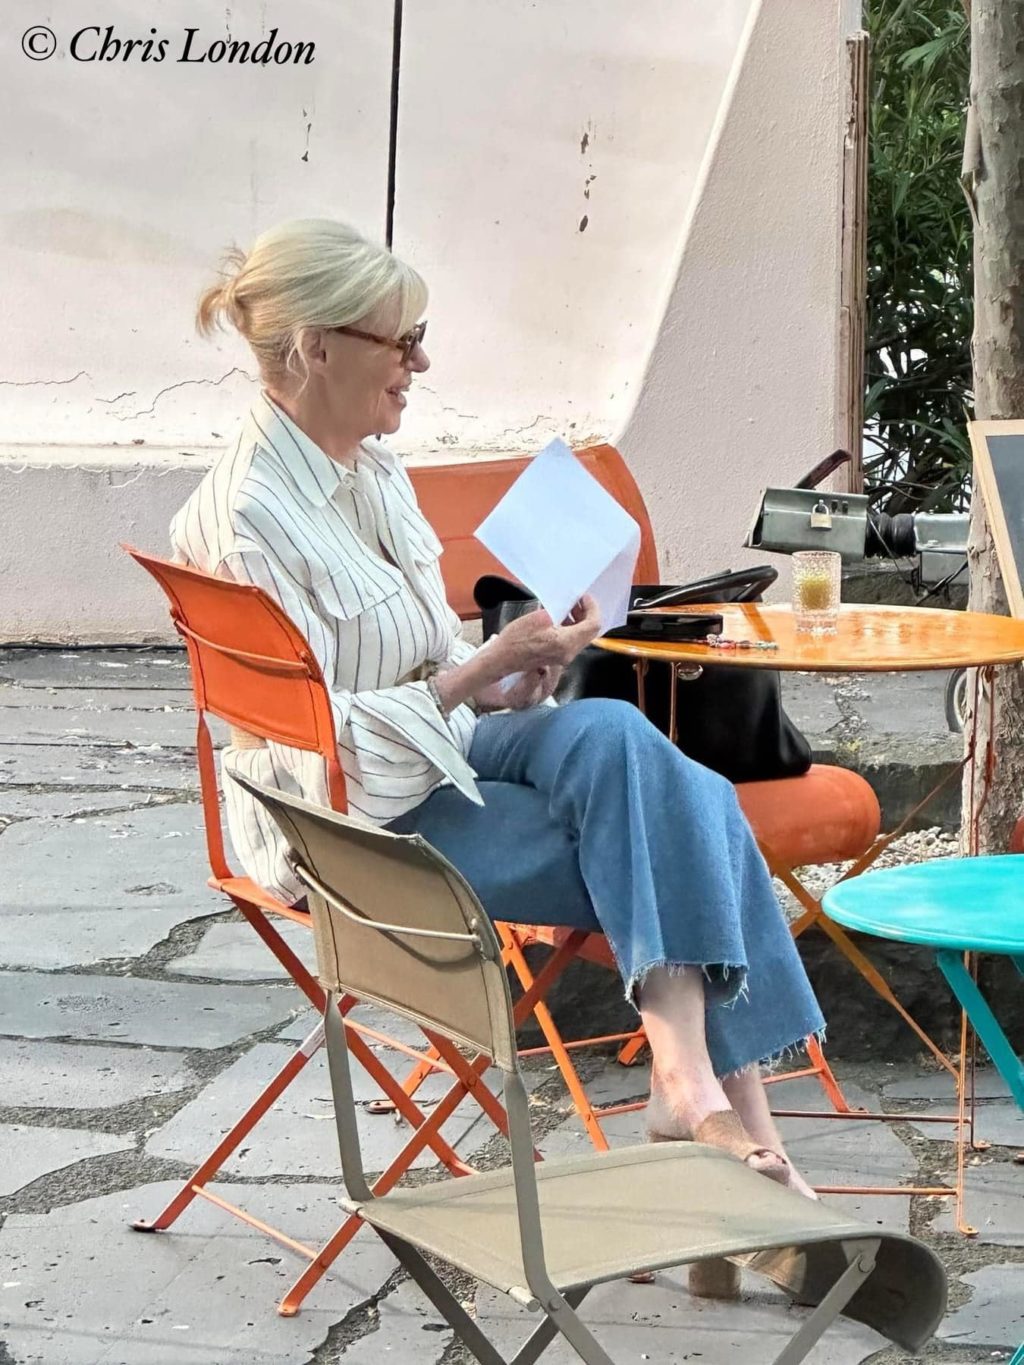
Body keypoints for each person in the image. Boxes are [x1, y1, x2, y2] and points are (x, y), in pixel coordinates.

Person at [171, 218, 826, 1299]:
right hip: (347, 820)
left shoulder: (371, 471)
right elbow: (319, 744)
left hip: (445, 750)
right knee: (694, 817)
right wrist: (477, 675)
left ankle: (694, 1103)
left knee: (623, 740)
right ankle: (744, 1150)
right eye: (401, 340)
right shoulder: (246, 521)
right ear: (316, 348)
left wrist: (511, 674)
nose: (421, 362)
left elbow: (425, 660)